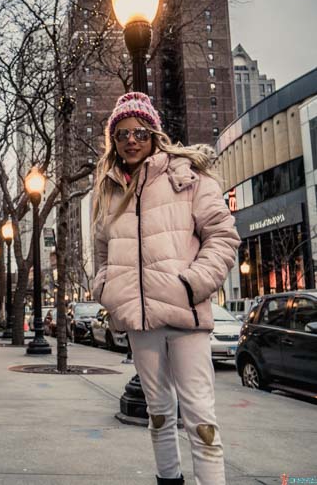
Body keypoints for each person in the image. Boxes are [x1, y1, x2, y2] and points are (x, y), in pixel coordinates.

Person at [91, 92, 240, 485]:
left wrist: (193, 284)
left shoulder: (187, 177)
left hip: (185, 317)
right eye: (121, 133)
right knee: (158, 413)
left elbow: (223, 238)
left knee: (200, 419)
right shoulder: (108, 189)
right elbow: (102, 252)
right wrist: (107, 289)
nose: (131, 140)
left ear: (154, 134)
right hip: (141, 323)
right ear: (114, 140)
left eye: (139, 131)